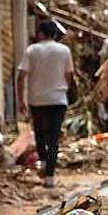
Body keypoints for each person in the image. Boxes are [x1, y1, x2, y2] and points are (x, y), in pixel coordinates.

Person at [16, 20, 74, 189]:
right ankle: (50, 178)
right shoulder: (64, 51)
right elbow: (69, 75)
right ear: (55, 34)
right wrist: (63, 89)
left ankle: (42, 162)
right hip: (58, 100)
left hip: (37, 100)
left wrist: (21, 100)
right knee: (54, 138)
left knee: (40, 135)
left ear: (40, 33)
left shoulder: (32, 50)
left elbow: (21, 76)